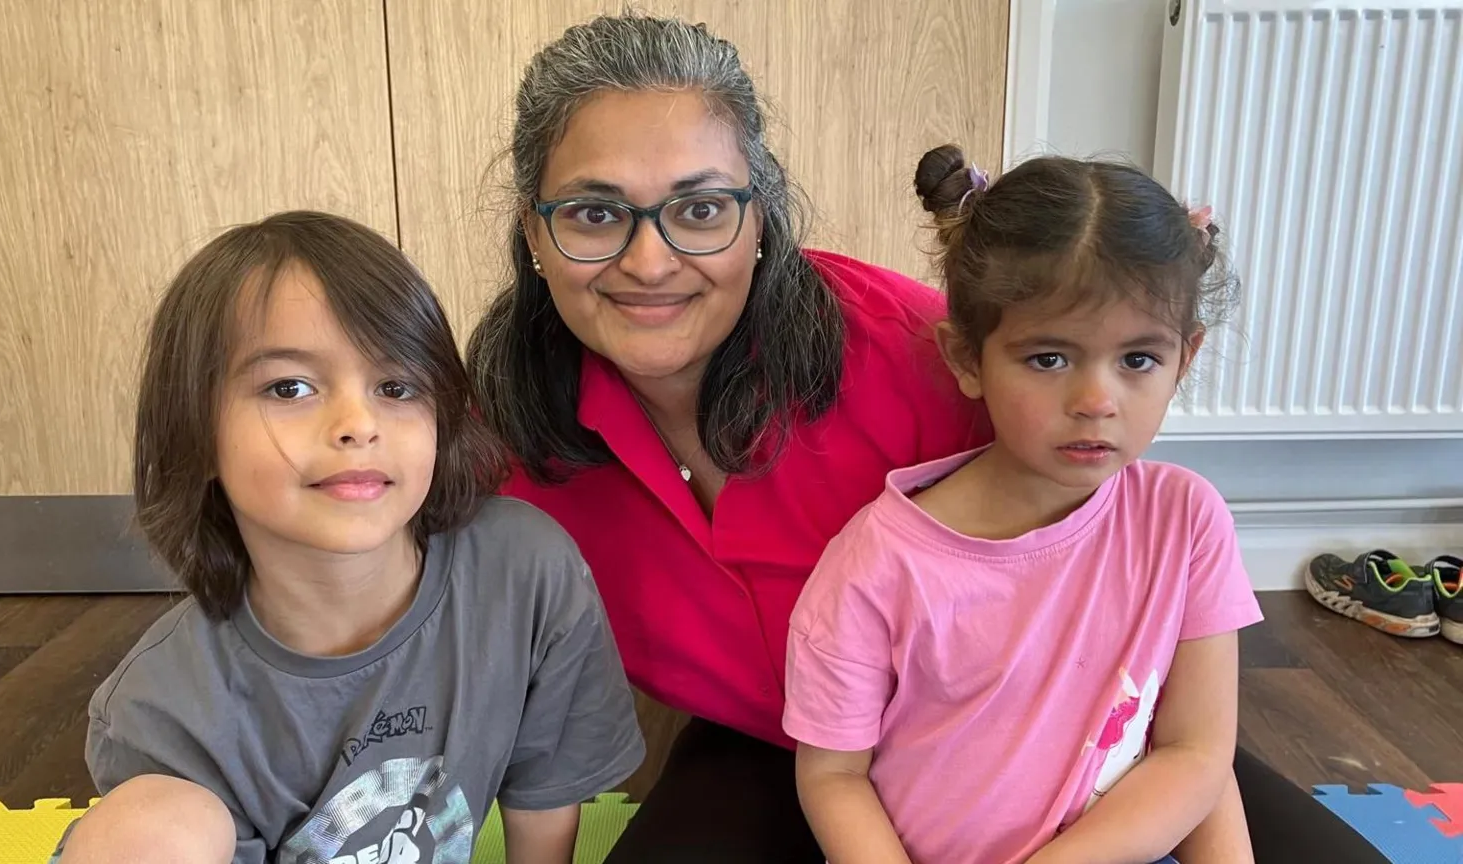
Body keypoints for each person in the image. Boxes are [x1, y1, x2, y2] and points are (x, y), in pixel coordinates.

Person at [470, 11, 1390, 864]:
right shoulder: (497, 446)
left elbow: (1133, 568)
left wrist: (1171, 774)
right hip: (785, 753)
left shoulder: (915, 347)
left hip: (1067, 737)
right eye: (594, 213)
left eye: (701, 208)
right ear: (534, 233)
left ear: (761, 218)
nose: (650, 259)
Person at [52, 211, 644, 864]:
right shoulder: (165, 710)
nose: (358, 423)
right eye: (290, 387)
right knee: (151, 827)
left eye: (395, 386)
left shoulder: (524, 572)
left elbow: (544, 799)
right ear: (196, 434)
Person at [783, 143, 1254, 864]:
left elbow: (1196, 754)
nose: (1096, 402)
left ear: (1183, 358)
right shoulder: (877, 566)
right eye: (1049, 358)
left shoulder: (1185, 521)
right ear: (967, 359)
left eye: (1138, 359)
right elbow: (833, 774)